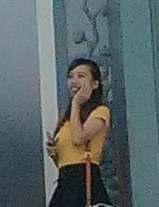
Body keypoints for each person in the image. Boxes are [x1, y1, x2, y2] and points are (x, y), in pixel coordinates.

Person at [43, 58, 110, 207]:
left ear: (95, 84)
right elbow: (64, 162)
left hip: (84, 182)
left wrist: (76, 103)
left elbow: (78, 138)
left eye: (81, 76)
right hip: (65, 183)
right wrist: (54, 154)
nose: (74, 81)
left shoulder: (100, 111)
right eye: (70, 76)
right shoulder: (66, 120)